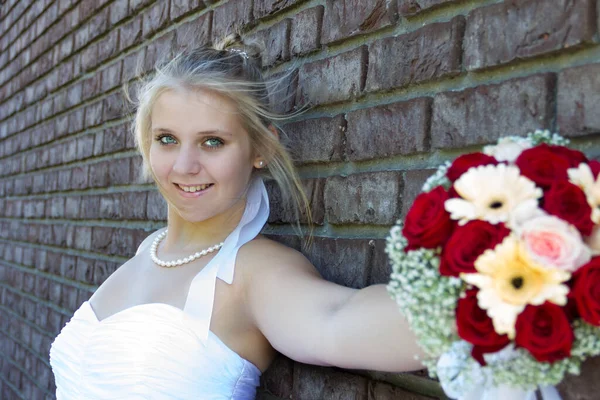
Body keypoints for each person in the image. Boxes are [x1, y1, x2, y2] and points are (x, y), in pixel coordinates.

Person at [49, 35, 424, 399]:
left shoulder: (252, 271)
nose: (184, 165)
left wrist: (479, 284)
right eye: (167, 139)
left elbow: (337, 321)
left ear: (261, 148)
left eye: (212, 142)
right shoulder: (149, 251)